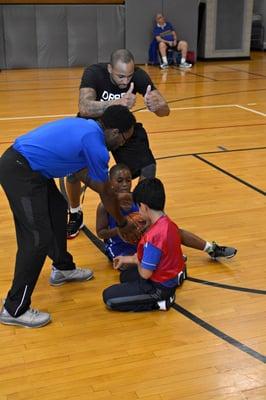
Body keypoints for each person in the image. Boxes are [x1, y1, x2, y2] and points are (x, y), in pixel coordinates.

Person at [0, 105, 139, 328]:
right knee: (37, 240)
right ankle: (14, 308)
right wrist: (123, 224)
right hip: (20, 171)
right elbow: (105, 192)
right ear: (114, 132)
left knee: (57, 208)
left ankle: (63, 268)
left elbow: (85, 175)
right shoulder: (95, 144)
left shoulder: (88, 129)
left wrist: (110, 194)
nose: (123, 143)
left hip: (32, 169)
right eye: (124, 138)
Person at [66, 48, 170, 239]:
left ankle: (141, 214)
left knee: (148, 166)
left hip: (122, 130)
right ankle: (75, 213)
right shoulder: (94, 73)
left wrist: (160, 106)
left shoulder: (138, 76)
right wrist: (117, 103)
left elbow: (165, 111)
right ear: (109, 68)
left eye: (129, 76)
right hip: (93, 127)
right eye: (120, 76)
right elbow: (84, 107)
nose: (125, 81)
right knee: (73, 173)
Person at [102, 178, 237, 312]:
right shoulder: (169, 223)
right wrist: (127, 259)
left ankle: (161, 302)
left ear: (144, 207)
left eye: (139, 207)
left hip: (158, 288)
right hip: (168, 274)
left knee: (109, 298)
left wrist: (137, 261)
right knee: (124, 276)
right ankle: (176, 279)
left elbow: (145, 274)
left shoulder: (152, 238)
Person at [97, 164, 237, 264]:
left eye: (128, 180)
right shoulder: (104, 206)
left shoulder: (138, 198)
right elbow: (101, 233)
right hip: (118, 246)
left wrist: (145, 225)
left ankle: (211, 249)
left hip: (140, 240)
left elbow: (158, 221)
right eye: (120, 180)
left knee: (174, 230)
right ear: (111, 182)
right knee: (126, 266)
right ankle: (166, 260)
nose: (125, 184)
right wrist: (121, 228)